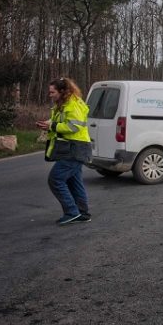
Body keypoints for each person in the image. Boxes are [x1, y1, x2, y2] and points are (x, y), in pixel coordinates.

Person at [36, 77, 92, 225]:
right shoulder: (63, 104)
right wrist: (47, 123)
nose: (50, 95)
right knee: (74, 181)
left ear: (62, 91)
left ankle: (72, 212)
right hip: (70, 147)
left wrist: (52, 126)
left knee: (55, 179)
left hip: (76, 148)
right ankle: (82, 213)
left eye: (52, 92)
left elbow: (74, 126)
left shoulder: (73, 104)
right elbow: (61, 121)